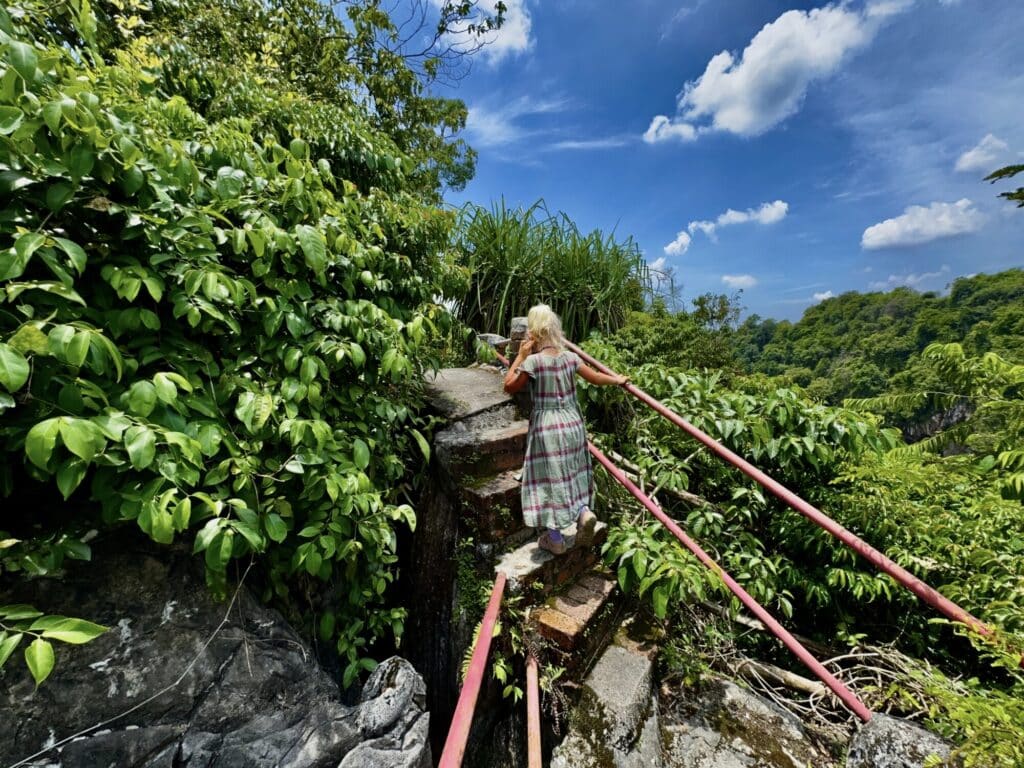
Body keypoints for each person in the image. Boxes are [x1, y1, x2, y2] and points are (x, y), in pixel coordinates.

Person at [503, 305, 628, 555]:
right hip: (572, 422)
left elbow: (508, 386)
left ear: (535, 332)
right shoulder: (570, 357)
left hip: (547, 426)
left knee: (551, 479)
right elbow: (594, 377)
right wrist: (616, 379)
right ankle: (583, 512)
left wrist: (520, 356)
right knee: (573, 472)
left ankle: (555, 538)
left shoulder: (534, 362)